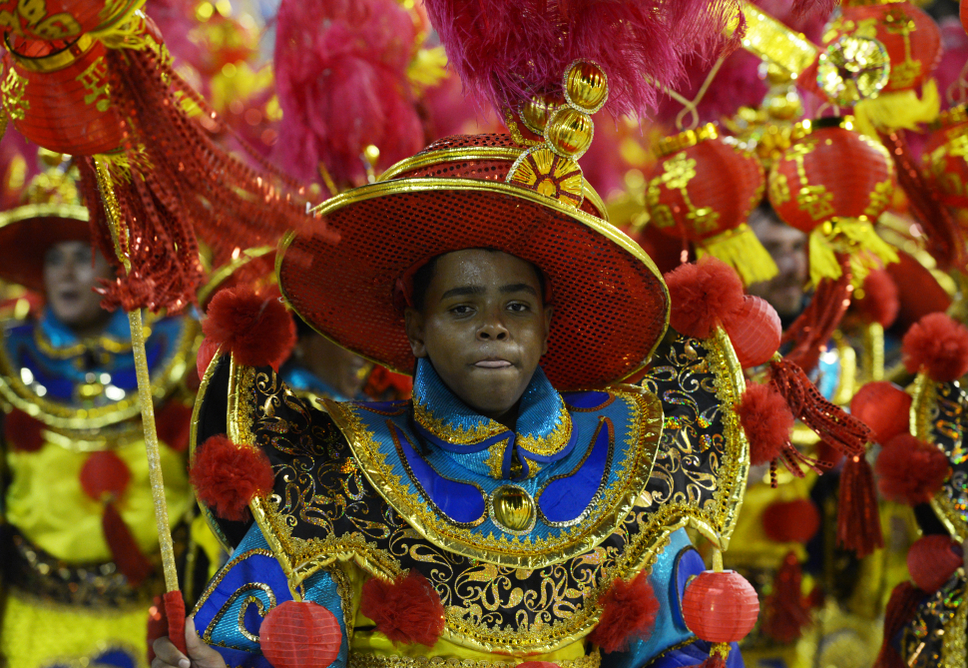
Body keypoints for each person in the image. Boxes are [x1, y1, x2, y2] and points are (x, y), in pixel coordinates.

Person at [150, 60, 777, 665]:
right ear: (416, 329)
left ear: (547, 324)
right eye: (460, 308)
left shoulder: (630, 452)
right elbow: (265, 648)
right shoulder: (336, 461)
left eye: (518, 306)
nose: (494, 325)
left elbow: (677, 651)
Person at [0, 159, 206, 668]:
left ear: (116, 269)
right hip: (38, 614)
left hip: (156, 619)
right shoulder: (9, 357)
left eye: (83, 255)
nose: (68, 273)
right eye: (55, 259)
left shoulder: (174, 351)